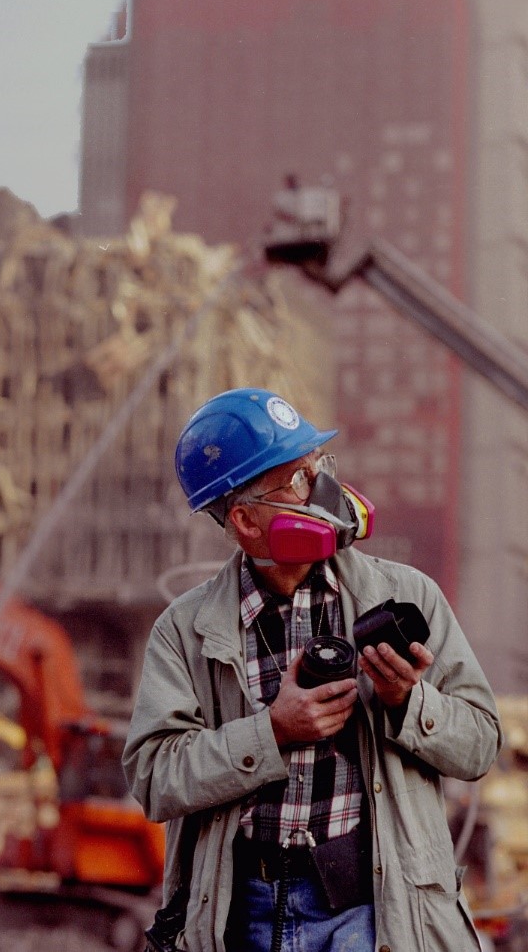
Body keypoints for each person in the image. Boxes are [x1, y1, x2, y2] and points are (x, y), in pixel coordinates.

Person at [123, 387, 502, 952]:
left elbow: (481, 745)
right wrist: (271, 732)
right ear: (247, 521)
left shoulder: (407, 596)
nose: (323, 490)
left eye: (319, 465)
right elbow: (153, 778)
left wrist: (409, 701)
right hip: (242, 913)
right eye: (298, 479)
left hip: (373, 912)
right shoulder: (185, 630)